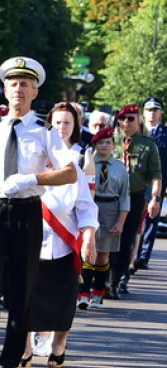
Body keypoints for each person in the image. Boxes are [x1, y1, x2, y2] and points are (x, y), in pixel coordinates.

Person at [0, 57, 78, 368]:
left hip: (26, 213)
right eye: (13, 84)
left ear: (34, 90)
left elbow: (69, 172)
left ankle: (11, 359)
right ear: (6, 91)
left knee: (23, 288)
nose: (18, 90)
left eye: (24, 84)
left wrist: (32, 179)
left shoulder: (44, 133)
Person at [19, 159, 97, 368]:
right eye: (58, 122)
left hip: (65, 247)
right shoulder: (25, 167)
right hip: (30, 245)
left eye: (66, 123)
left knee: (64, 302)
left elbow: (86, 207)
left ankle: (59, 344)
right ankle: (24, 348)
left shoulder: (73, 171)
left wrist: (89, 237)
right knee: (26, 300)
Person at [108, 103, 161, 297]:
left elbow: (156, 174)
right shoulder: (110, 141)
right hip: (109, 198)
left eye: (131, 118)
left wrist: (155, 198)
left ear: (138, 120)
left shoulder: (147, 145)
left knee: (127, 239)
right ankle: (103, 281)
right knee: (107, 239)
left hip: (134, 197)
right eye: (122, 119)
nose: (126, 122)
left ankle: (118, 280)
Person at [78, 126, 130, 308]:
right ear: (95, 145)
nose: (104, 146)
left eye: (108, 142)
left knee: (102, 255)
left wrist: (121, 222)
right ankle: (83, 293)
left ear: (113, 145)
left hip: (111, 209)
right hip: (92, 206)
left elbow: (125, 197)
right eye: (100, 142)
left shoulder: (120, 168)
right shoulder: (89, 163)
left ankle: (99, 292)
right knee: (87, 252)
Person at [135, 97, 166, 268]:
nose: (152, 113)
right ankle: (134, 253)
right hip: (138, 181)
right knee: (135, 218)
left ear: (161, 112)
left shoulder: (165, 135)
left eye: (155, 110)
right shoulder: (136, 133)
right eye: (148, 110)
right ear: (143, 112)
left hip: (158, 182)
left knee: (151, 219)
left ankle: (143, 257)